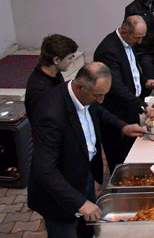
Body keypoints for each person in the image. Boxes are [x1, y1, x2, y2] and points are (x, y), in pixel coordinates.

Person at [28, 62, 147, 238]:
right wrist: (80, 203)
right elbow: (45, 170)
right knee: (67, 232)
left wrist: (122, 127)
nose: (101, 100)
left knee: (87, 229)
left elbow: (98, 110)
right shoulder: (50, 114)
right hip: (59, 194)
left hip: (83, 175)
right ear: (79, 87)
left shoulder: (84, 95)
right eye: (98, 95)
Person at [93, 15, 154, 172]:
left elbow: (132, 71)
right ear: (124, 32)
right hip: (116, 112)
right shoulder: (108, 50)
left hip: (129, 108)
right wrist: (142, 106)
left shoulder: (128, 42)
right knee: (121, 160)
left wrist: (144, 81)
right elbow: (116, 86)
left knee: (133, 153)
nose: (140, 42)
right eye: (137, 38)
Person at [25, 34, 78, 121]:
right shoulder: (40, 90)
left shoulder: (55, 73)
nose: (72, 61)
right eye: (69, 58)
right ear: (56, 60)